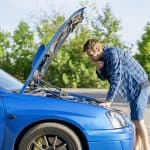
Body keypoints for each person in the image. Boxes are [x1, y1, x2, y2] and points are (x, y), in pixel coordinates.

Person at [83, 39, 150, 150]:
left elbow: (116, 78)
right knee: (136, 120)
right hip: (133, 89)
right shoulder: (103, 58)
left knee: (139, 121)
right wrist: (98, 68)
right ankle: (136, 148)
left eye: (90, 55)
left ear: (98, 49)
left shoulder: (112, 54)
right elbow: (104, 77)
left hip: (140, 86)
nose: (90, 58)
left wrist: (109, 100)